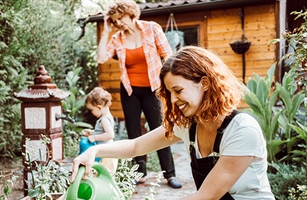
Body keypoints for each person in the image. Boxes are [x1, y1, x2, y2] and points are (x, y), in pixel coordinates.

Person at [72, 46, 275, 199]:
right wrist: (95, 151)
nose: (173, 100)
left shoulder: (242, 130)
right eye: (169, 94)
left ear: (204, 83)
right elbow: (136, 146)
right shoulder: (189, 126)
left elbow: (207, 196)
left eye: (178, 91)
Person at [97, 0, 182, 188]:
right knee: (134, 132)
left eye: (120, 18)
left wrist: (170, 85)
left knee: (161, 129)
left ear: (130, 13)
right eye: (114, 20)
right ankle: (140, 173)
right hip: (130, 90)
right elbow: (101, 58)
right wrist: (106, 30)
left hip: (153, 88)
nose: (118, 23)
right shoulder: (117, 38)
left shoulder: (152, 29)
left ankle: (170, 174)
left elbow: (168, 55)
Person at [81, 87, 118, 174]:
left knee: (103, 175)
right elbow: (103, 132)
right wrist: (92, 132)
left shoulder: (104, 120)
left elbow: (110, 135)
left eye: (92, 110)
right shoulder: (106, 117)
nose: (91, 113)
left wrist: (94, 137)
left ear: (99, 107)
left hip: (106, 156)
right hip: (106, 153)